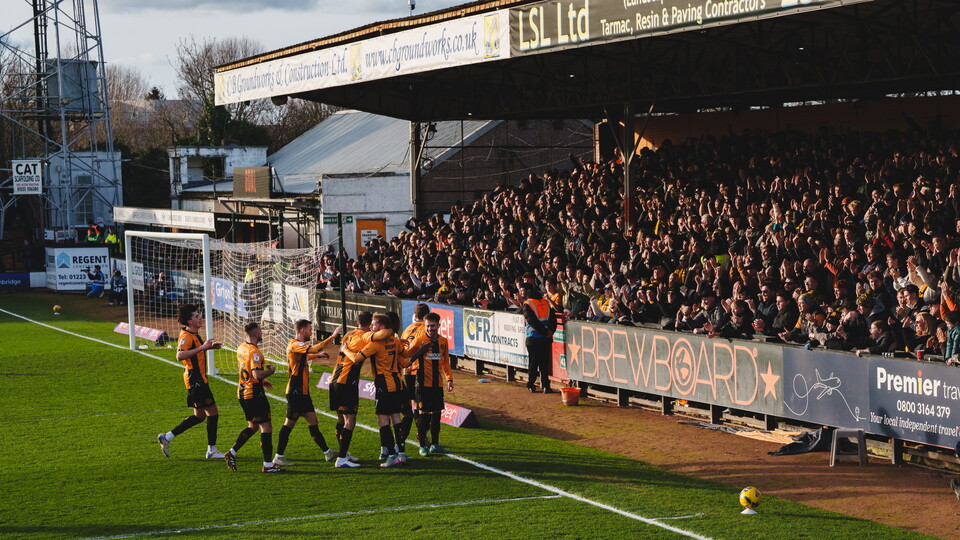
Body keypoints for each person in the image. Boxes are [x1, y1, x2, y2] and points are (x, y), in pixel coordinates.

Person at [341, 312, 411, 467]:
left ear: (381, 326)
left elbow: (356, 358)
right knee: (396, 418)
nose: (371, 327)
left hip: (383, 386)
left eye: (374, 324)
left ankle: (391, 455)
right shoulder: (395, 340)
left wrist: (344, 349)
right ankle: (401, 453)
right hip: (397, 383)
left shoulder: (375, 344)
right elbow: (405, 356)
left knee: (383, 420)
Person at [157, 304, 224, 459]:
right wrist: (202, 348)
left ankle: (167, 437)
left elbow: (194, 353)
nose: (200, 317)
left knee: (200, 416)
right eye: (196, 316)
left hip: (198, 379)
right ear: (189, 321)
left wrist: (208, 347)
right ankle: (212, 451)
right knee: (213, 413)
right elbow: (179, 356)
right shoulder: (186, 337)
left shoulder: (193, 334)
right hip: (196, 380)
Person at [273, 320, 342, 466]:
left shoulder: (298, 347)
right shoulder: (295, 344)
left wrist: (318, 356)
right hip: (295, 392)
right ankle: (278, 455)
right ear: (303, 330)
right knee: (288, 425)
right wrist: (333, 336)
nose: (311, 332)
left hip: (302, 393)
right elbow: (312, 349)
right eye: (310, 330)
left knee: (313, 422)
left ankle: (327, 453)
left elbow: (304, 357)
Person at [224, 322, 282, 473]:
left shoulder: (242, 347)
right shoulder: (255, 352)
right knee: (266, 426)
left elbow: (249, 372)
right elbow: (256, 373)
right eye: (261, 330)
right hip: (254, 394)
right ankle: (268, 465)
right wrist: (270, 372)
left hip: (242, 392)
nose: (262, 333)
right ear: (256, 333)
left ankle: (232, 452)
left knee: (253, 426)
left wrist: (263, 380)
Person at [328, 314, 372, 468]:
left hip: (335, 380)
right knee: (350, 421)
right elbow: (357, 358)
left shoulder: (348, 334)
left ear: (357, 322)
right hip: (347, 382)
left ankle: (344, 453)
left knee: (341, 419)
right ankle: (341, 458)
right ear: (370, 324)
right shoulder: (366, 336)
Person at [407, 312, 454, 456]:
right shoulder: (419, 340)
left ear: (439, 325)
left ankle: (435, 444)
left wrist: (449, 379)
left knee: (436, 415)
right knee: (424, 414)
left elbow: (445, 362)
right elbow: (407, 356)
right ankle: (422, 446)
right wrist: (414, 361)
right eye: (428, 326)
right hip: (422, 384)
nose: (430, 329)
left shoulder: (443, 341)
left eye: (433, 326)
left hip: (437, 384)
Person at [397, 303, 429, 458]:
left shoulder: (407, 329)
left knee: (413, 405)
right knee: (421, 407)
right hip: (418, 369)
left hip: (406, 370)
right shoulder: (426, 328)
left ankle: (412, 440)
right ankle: (422, 441)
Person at [521, 282, 557, 393]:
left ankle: (531, 384)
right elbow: (552, 319)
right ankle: (546, 385)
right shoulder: (545, 302)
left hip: (533, 338)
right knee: (544, 364)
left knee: (533, 363)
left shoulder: (528, 304)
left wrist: (544, 332)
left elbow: (532, 321)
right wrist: (550, 332)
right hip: (545, 339)